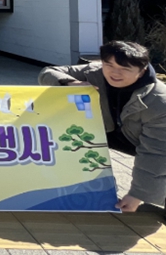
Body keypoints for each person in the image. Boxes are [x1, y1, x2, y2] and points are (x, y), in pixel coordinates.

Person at [38, 41, 166, 213]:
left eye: (125, 68)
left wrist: (137, 195)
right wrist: (70, 83)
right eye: (109, 65)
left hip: (153, 142)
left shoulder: (159, 102)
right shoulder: (95, 71)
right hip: (112, 130)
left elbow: (155, 154)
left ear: (142, 71)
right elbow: (47, 72)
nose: (115, 72)